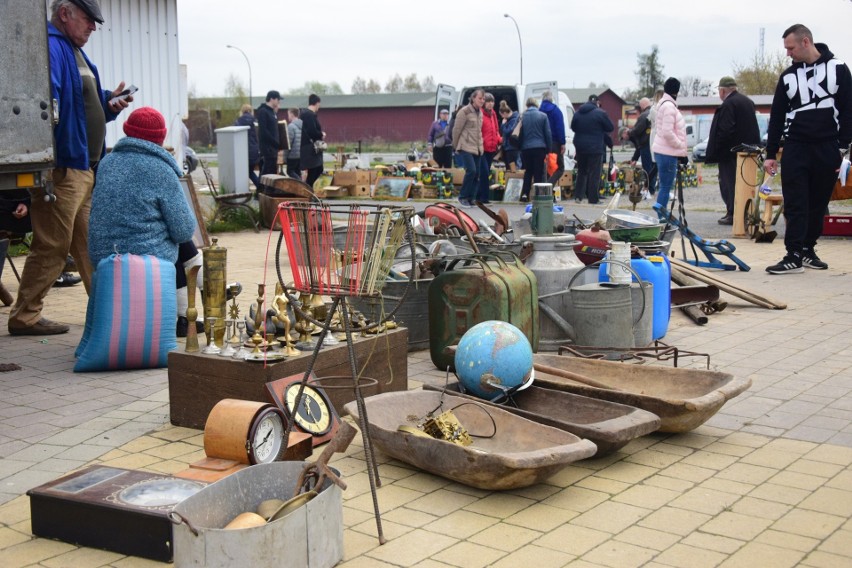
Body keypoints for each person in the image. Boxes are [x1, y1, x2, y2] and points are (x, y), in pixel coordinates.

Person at [8, 0, 132, 336]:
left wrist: (109, 103)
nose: (93, 27)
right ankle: (25, 316)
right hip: (63, 170)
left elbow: (80, 106)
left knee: (90, 245)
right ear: (65, 14)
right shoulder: (51, 48)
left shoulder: (72, 50)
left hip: (82, 168)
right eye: (89, 20)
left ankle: (107, 312)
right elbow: (47, 107)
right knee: (53, 245)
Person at [87, 107, 197, 333]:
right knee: (176, 240)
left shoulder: (106, 164)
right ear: (161, 136)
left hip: (102, 255)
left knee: (169, 236)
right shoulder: (160, 169)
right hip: (143, 259)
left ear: (127, 131)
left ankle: (202, 300)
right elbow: (184, 230)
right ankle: (187, 315)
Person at [764, 24, 852, 274]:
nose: (787, 53)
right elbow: (777, 115)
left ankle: (807, 249)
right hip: (795, 147)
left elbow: (848, 110)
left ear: (805, 42)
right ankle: (792, 254)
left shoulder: (839, 69)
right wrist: (771, 153)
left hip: (828, 148)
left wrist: (843, 147)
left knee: (818, 202)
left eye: (790, 48)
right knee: (795, 201)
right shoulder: (788, 77)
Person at [704, 77, 760, 225]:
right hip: (748, 151)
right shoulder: (748, 102)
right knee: (746, 183)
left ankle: (733, 213)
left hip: (730, 153)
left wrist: (719, 148)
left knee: (729, 183)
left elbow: (726, 130)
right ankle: (746, 212)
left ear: (722, 90)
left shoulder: (728, 104)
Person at [651, 78, 687, 213]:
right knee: (665, 187)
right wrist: (680, 147)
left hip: (664, 151)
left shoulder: (664, 104)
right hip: (667, 153)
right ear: (676, 91)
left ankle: (661, 214)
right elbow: (667, 132)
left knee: (664, 186)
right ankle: (661, 216)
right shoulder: (669, 107)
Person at [570, 94, 613, 204]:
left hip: (580, 146)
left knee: (582, 171)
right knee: (594, 173)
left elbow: (573, 127)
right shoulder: (600, 113)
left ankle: (578, 196)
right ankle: (593, 198)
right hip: (595, 147)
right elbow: (610, 127)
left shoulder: (578, 113)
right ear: (597, 103)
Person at [451, 89, 487, 207]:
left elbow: (479, 131)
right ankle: (463, 197)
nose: (482, 101)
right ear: (473, 99)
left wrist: (481, 146)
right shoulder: (464, 112)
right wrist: (455, 146)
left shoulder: (480, 113)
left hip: (477, 147)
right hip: (465, 146)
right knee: (471, 171)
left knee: (477, 174)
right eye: (480, 98)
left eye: (483, 99)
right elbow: (456, 130)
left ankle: (471, 198)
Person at [518, 98, 552, 202]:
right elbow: (548, 133)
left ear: (527, 105)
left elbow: (519, 132)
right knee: (538, 172)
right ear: (536, 105)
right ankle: (538, 194)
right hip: (539, 148)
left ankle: (525, 194)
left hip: (526, 148)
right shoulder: (543, 116)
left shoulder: (522, 116)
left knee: (528, 171)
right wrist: (548, 149)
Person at [628, 97, 657, 197]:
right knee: (654, 167)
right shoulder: (654, 113)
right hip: (654, 144)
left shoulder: (644, 115)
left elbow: (636, 131)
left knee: (647, 169)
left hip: (646, 145)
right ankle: (652, 188)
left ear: (642, 106)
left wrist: (630, 132)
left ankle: (649, 189)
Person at [540, 90, 566, 187]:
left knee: (546, 168)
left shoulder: (539, 110)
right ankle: (548, 186)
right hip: (555, 143)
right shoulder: (556, 110)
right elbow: (560, 127)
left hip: (542, 143)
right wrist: (562, 143)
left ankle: (544, 188)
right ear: (551, 99)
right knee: (560, 168)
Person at [300, 94, 326, 188]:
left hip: (306, 146)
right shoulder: (309, 115)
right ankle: (307, 188)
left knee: (315, 169)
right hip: (310, 148)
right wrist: (321, 134)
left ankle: (308, 189)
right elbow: (312, 131)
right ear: (317, 103)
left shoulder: (304, 114)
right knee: (317, 168)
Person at [234, 103, 261, 191]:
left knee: (247, 172)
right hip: (254, 149)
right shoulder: (255, 121)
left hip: (243, 150)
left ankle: (259, 188)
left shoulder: (238, 121)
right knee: (250, 170)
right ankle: (259, 188)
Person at [256, 90, 281, 186]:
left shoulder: (272, 112)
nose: (279, 102)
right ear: (272, 99)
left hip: (273, 148)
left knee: (272, 170)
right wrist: (274, 142)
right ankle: (260, 190)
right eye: (278, 99)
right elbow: (264, 131)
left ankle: (269, 190)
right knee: (266, 170)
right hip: (267, 147)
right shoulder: (263, 111)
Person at [499, 100, 520, 171]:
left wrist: (503, 124)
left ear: (504, 113)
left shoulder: (514, 120)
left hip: (512, 147)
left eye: (501, 115)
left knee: (512, 168)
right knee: (509, 168)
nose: (502, 118)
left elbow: (508, 131)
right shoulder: (510, 119)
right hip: (508, 147)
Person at [286, 108, 303, 179]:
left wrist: (285, 156)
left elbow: (288, 143)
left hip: (292, 155)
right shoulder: (303, 125)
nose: (288, 116)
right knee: (297, 172)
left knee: (290, 171)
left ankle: (300, 183)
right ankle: (300, 188)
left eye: (288, 114)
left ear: (292, 114)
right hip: (300, 154)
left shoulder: (291, 126)